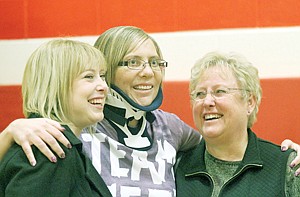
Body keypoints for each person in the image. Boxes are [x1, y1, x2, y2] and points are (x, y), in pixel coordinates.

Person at [0, 26, 299, 196]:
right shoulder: (79, 127)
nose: (148, 72)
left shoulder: (171, 128)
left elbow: (223, 143)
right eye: (133, 62)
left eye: (155, 62)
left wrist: (287, 156)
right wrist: (10, 133)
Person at [175, 51, 300, 197]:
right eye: (200, 94)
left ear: (249, 102)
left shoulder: (286, 167)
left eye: (219, 91)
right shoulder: (176, 167)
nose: (207, 101)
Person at [0, 39, 112, 196]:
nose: (104, 87)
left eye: (102, 76)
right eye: (89, 76)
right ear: (55, 84)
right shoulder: (49, 146)